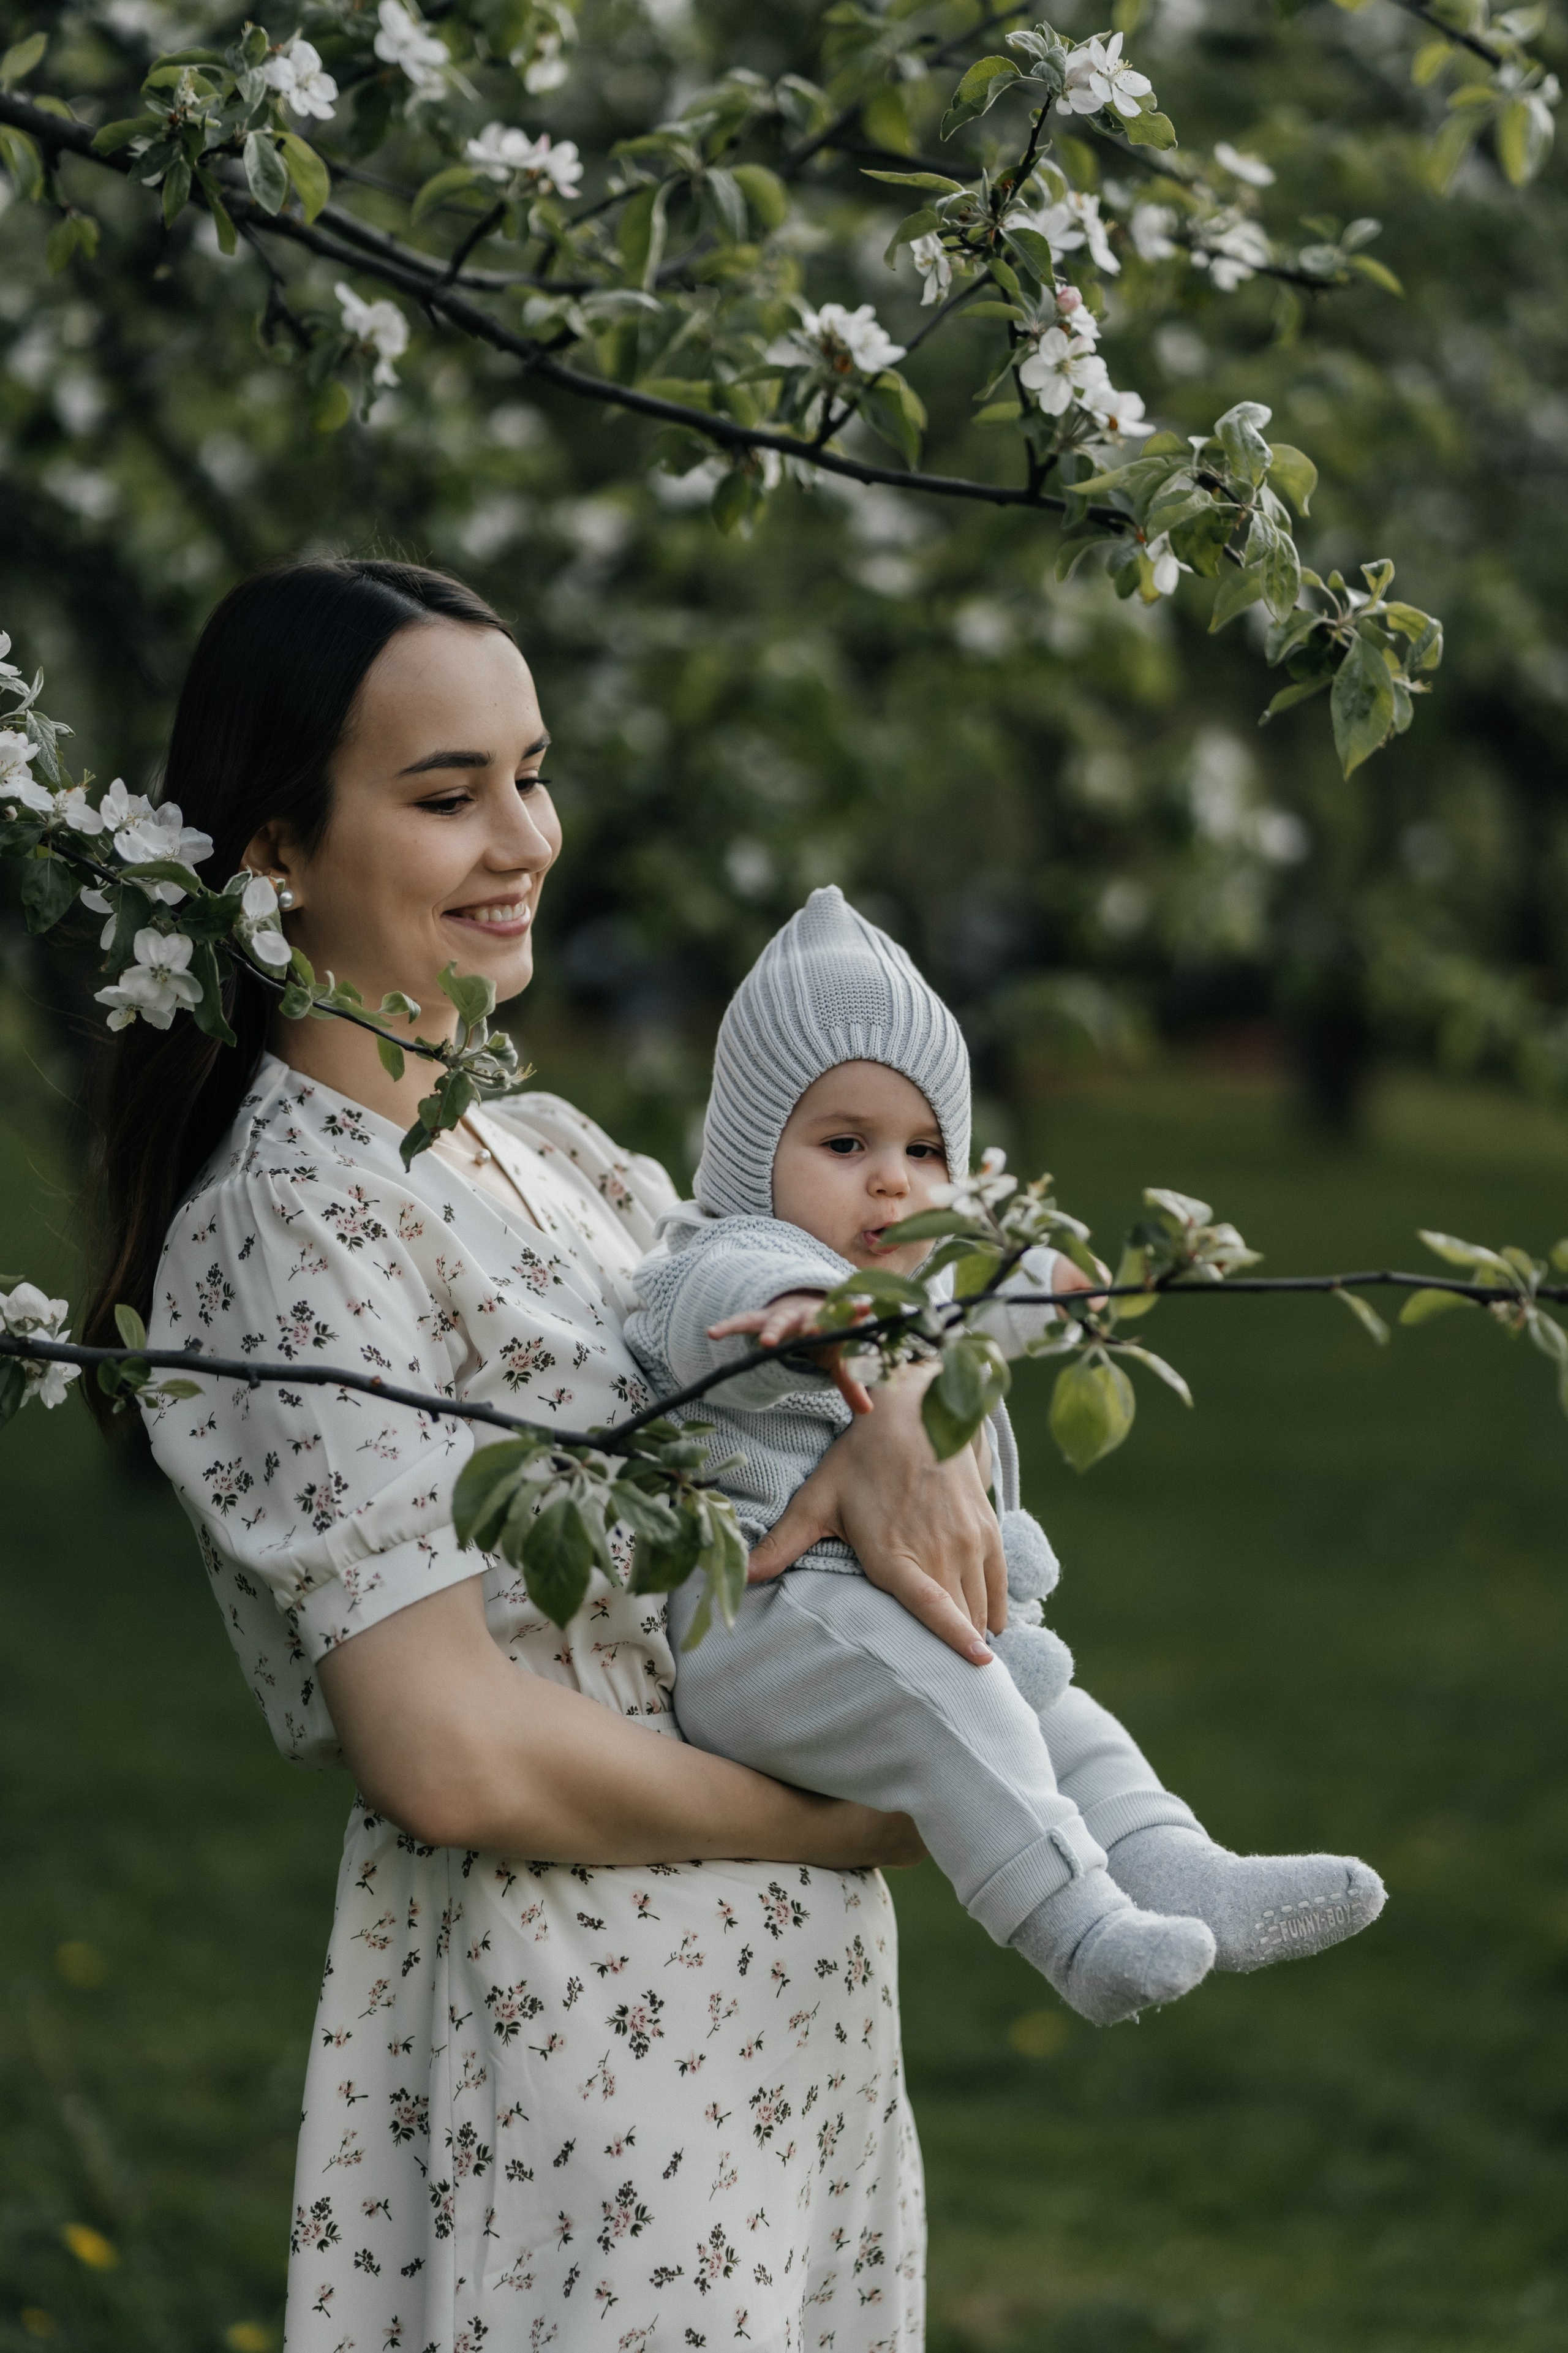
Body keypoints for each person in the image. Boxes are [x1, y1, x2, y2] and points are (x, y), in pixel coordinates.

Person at [87, 559, 1022, 2352]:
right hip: (580, 2040)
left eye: (533, 770)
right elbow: (441, 1747)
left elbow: (785, 1341)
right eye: (449, 796)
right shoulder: (297, 1220)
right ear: (275, 849)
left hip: (782, 2022)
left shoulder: (548, 1148)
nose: (525, 836)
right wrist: (866, 1817)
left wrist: (899, 1411)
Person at [625, 889, 1387, 2025]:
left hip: (914, 1620)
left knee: (1060, 1712)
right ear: (750, 1154)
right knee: (968, 1700)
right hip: (763, 1631)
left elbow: (978, 1290)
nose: (893, 1179)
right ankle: (1080, 1932)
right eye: (845, 1144)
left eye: (925, 1149)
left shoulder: (917, 1276)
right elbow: (735, 1303)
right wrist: (806, 1313)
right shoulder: (727, 1261)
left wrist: (1061, 1288)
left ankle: (1181, 1866)